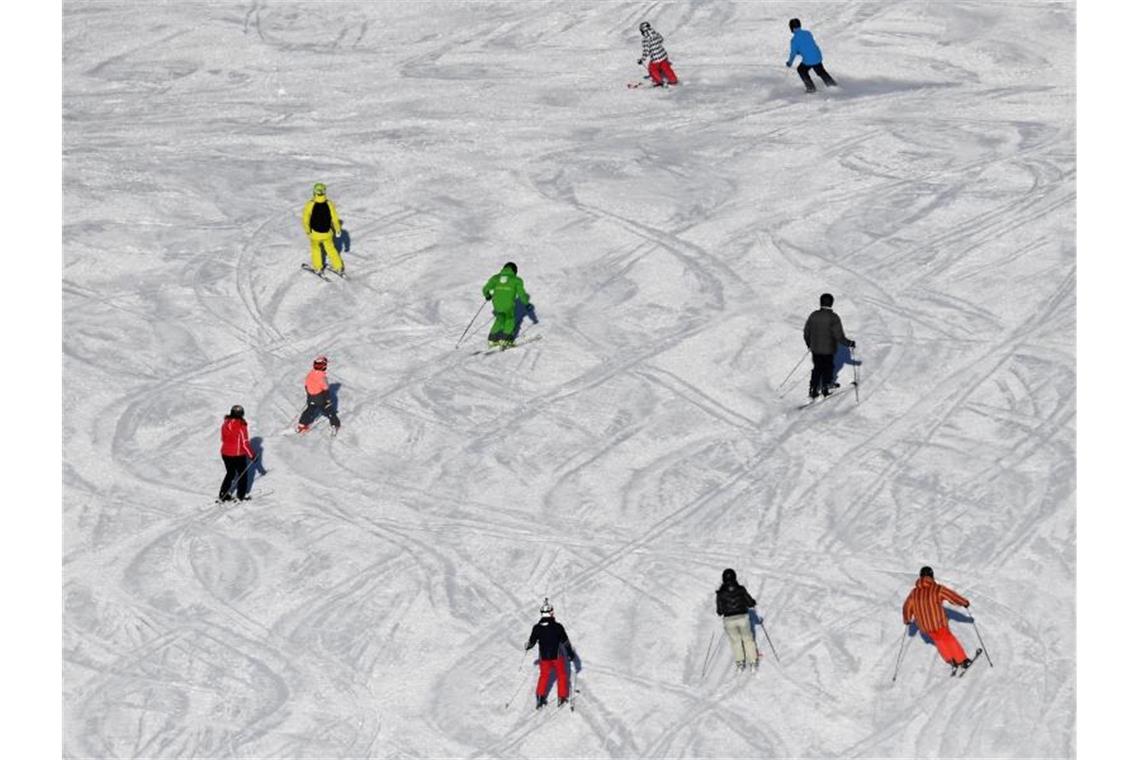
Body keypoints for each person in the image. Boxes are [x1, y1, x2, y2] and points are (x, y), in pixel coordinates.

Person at [902, 566, 975, 671]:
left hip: (925, 626)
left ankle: (951, 659)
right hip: (938, 622)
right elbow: (952, 596)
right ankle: (962, 660)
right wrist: (964, 602)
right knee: (948, 638)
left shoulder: (914, 593)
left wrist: (907, 619)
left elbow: (907, 606)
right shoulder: (937, 589)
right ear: (931, 576)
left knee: (939, 640)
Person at [525, 598, 577, 709]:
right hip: (556, 656)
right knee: (561, 675)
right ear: (551, 612)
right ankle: (562, 697)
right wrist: (570, 654)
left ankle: (540, 698)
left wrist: (528, 646)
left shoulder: (537, 628)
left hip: (543, 657)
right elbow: (565, 642)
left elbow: (531, 642)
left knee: (543, 676)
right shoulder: (558, 627)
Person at [803, 292, 855, 399]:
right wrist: (849, 343)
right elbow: (839, 337)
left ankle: (813, 388)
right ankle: (826, 387)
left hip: (815, 349)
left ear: (820, 302)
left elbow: (806, 332)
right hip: (829, 349)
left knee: (817, 368)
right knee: (828, 367)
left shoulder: (813, 315)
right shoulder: (834, 317)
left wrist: (809, 344)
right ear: (831, 303)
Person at [716, 568, 761, 672]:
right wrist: (752, 603)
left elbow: (719, 611)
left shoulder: (720, 593)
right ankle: (753, 662)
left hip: (729, 621)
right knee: (748, 639)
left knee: (736, 642)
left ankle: (740, 663)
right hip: (742, 618)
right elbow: (750, 602)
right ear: (735, 577)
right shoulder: (741, 589)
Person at [482, 262, 531, 348]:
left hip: (496, 304)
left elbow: (485, 289)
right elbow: (521, 294)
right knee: (509, 320)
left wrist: (487, 295)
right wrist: (527, 304)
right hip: (508, 305)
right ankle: (505, 340)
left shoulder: (496, 278)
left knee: (500, 319)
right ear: (514, 271)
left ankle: (492, 339)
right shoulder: (516, 280)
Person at [302, 182, 345, 275]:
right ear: (324, 192)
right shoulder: (329, 203)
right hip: (327, 233)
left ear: (314, 192)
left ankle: (318, 268)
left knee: (315, 249)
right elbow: (334, 218)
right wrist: (337, 229)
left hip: (315, 234)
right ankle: (338, 267)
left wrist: (307, 230)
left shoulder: (310, 204)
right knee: (331, 249)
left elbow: (305, 219)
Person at [785, 18, 837, 93]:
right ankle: (832, 84)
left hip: (808, 60)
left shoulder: (794, 40)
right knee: (820, 71)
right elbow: (808, 45)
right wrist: (800, 51)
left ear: (791, 28)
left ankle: (811, 88)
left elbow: (793, 54)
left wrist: (789, 63)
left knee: (801, 70)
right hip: (817, 56)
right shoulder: (808, 33)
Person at [296, 355, 341, 434]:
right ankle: (335, 424)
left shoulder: (310, 374)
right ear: (324, 366)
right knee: (328, 410)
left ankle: (302, 424)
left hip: (311, 397)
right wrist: (327, 400)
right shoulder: (322, 377)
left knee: (309, 409)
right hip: (320, 398)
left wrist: (309, 394)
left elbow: (306, 386)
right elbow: (325, 390)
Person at [219, 405, 254, 502]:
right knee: (242, 474)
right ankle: (241, 495)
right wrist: (252, 455)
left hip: (225, 453)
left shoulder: (225, 423)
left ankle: (223, 494)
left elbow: (223, 438)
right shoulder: (241, 425)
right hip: (238, 454)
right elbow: (245, 443)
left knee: (230, 473)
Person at [637, 22, 679, 87]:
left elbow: (646, 51)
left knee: (652, 69)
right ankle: (673, 80)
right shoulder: (656, 33)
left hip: (656, 58)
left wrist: (642, 59)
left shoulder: (645, 39)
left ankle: (659, 81)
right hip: (663, 55)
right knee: (666, 68)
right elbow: (661, 40)